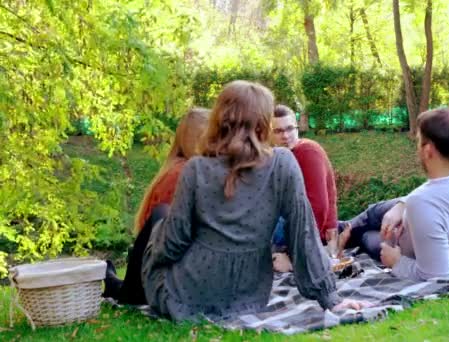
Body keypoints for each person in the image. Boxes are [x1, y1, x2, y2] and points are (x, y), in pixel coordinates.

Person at [108, 80, 366, 322]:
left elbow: (173, 244)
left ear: (219, 120)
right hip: (249, 298)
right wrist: (330, 299)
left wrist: (154, 245)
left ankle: (126, 290)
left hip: (185, 299)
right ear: (263, 123)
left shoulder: (197, 169)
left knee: (158, 226)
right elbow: (304, 234)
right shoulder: (284, 163)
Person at [339, 107, 449, 281]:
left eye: (418, 141)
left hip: (399, 245)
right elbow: (439, 188)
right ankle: (331, 231)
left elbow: (437, 275)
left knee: (363, 236)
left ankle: (324, 237)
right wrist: (402, 204)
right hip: (410, 216)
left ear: (428, 150)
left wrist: (396, 262)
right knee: (372, 213)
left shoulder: (423, 202)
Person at [103, 108, 210, 305]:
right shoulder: (182, 173)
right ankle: (118, 285)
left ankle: (114, 282)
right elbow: (172, 237)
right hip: (159, 270)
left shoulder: (184, 168)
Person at [270, 105, 339, 271]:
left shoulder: (307, 151)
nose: (285, 136)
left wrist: (302, 250)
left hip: (309, 230)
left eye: (289, 129)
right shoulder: (277, 155)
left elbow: (319, 206)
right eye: (278, 131)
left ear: (297, 127)